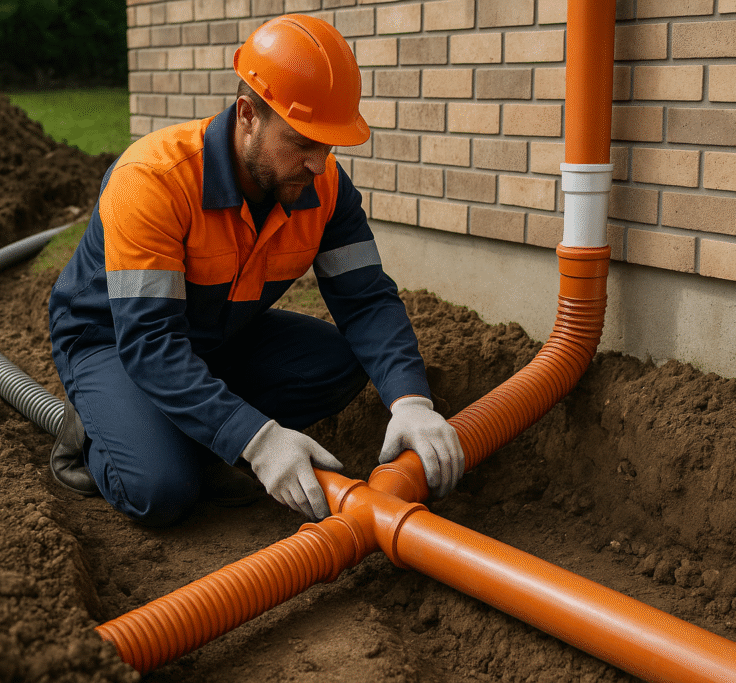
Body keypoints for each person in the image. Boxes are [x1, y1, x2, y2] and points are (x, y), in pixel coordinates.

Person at [47, 14, 464, 526]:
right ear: (248, 115)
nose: (319, 164)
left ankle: (193, 430)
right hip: (113, 338)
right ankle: (95, 429)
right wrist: (258, 440)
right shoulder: (153, 180)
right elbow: (150, 341)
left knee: (343, 361)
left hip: (215, 332)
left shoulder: (325, 188)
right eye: (303, 142)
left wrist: (411, 401)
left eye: (328, 145)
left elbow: (367, 301)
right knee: (162, 489)